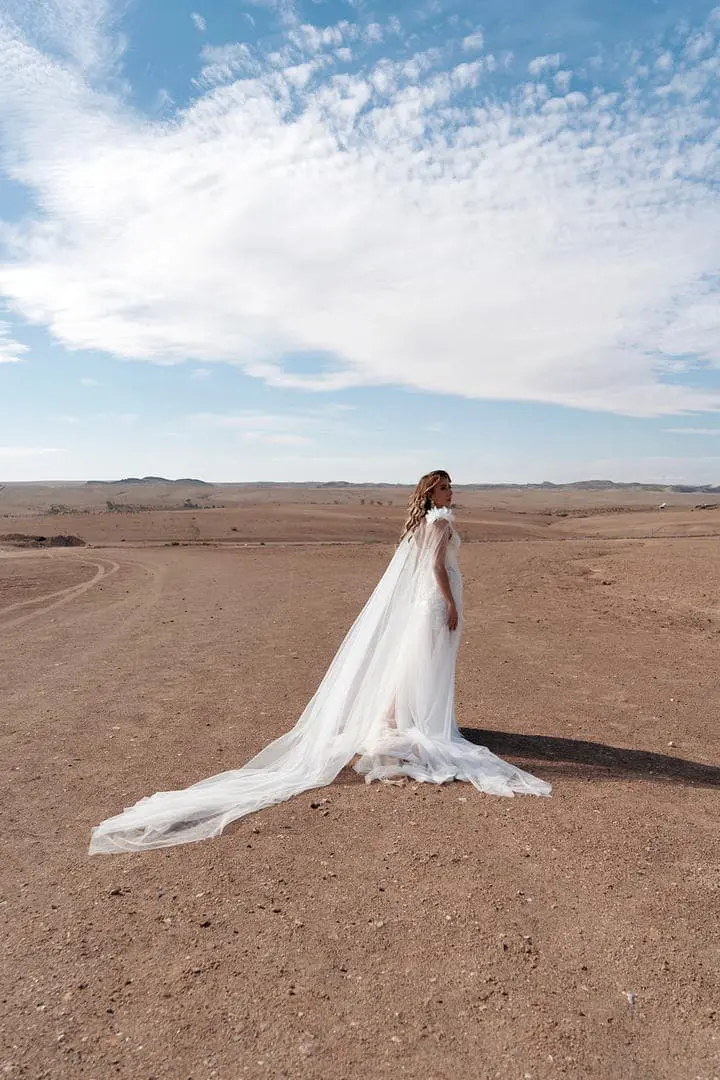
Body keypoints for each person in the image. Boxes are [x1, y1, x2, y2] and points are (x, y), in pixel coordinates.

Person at [89, 470, 550, 854]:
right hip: (435, 602)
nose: (453, 494)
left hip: (424, 604)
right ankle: (422, 725)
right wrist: (450, 604)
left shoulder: (421, 524)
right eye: (446, 488)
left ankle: (403, 717)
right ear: (431, 494)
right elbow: (433, 569)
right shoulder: (441, 524)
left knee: (414, 663)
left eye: (451, 487)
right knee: (427, 663)